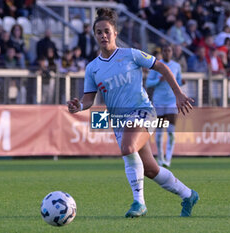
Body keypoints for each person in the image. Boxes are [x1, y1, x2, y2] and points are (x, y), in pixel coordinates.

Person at [67, 8, 199, 218]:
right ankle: (189, 195)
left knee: (128, 147)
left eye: (107, 31)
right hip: (119, 120)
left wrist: (178, 94)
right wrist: (79, 106)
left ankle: (139, 204)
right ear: (94, 36)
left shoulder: (131, 54)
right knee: (150, 170)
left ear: (115, 33)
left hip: (143, 111)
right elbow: (88, 99)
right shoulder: (92, 68)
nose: (103, 35)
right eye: (99, 32)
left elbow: (163, 67)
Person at [146, 44, 182, 167]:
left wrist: (182, 83)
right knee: (160, 131)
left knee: (171, 131)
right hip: (159, 102)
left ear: (172, 52)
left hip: (172, 101)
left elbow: (179, 81)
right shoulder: (156, 65)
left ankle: (168, 159)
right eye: (165, 51)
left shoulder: (176, 66)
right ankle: (160, 158)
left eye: (169, 51)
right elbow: (148, 83)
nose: (167, 53)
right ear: (162, 52)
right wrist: (158, 80)